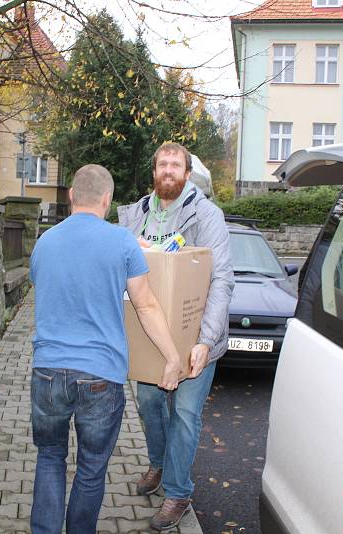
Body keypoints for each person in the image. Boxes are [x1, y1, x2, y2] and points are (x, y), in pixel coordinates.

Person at [29, 164, 185, 534]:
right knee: (91, 468)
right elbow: (145, 306)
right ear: (107, 200)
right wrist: (172, 356)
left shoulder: (44, 242)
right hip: (101, 376)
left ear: (70, 195)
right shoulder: (123, 242)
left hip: (48, 371)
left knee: (49, 458)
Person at [118, 143, 235, 531]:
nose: (169, 170)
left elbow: (221, 279)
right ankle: (158, 462)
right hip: (150, 336)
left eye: (176, 164)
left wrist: (205, 339)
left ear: (187, 173)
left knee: (184, 414)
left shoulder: (206, 215)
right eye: (163, 164)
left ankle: (178, 491)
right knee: (150, 404)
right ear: (154, 171)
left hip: (195, 335)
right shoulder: (135, 215)